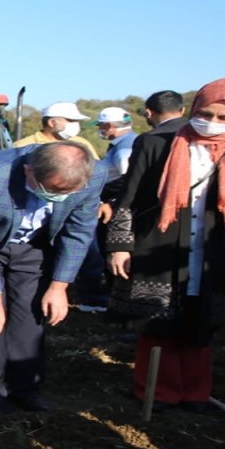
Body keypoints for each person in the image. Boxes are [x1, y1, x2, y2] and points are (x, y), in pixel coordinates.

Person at [107, 77, 225, 412]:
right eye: (206, 113)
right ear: (194, 107)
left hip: (216, 249)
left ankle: (195, 393)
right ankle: (157, 391)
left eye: (224, 118)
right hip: (159, 243)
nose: (212, 123)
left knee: (202, 322)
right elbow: (130, 198)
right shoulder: (156, 143)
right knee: (157, 321)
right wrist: (120, 246)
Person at [0, 141, 103, 415]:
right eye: (52, 191)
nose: (60, 197)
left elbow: (79, 232)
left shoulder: (92, 176)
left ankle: (25, 387)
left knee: (30, 313)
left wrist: (59, 287)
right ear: (29, 171)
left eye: (67, 193)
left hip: (34, 244)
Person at [76, 107, 140, 310]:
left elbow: (128, 181)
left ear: (110, 126)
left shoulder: (124, 151)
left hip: (114, 205)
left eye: (101, 126)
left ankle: (115, 298)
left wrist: (110, 203)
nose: (101, 131)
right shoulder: (125, 143)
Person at [15, 102, 100, 159]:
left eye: (77, 121)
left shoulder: (82, 144)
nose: (75, 124)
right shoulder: (23, 146)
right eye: (70, 120)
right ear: (52, 122)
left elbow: (97, 172)